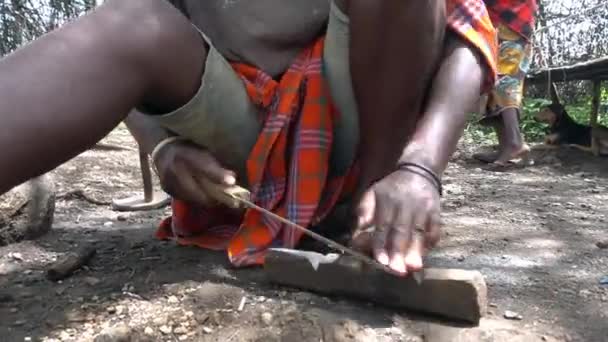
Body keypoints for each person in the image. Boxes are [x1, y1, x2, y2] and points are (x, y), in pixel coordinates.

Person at [0, 0, 497, 276]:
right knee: (129, 21)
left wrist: (419, 167)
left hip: (363, 135)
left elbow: (467, 30)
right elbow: (133, 32)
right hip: (242, 143)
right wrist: (163, 148)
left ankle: (369, 217)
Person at [474, 0, 538, 167]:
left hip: (511, 22)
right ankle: (506, 147)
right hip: (502, 22)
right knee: (493, 85)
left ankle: (515, 143)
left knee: (505, 81)